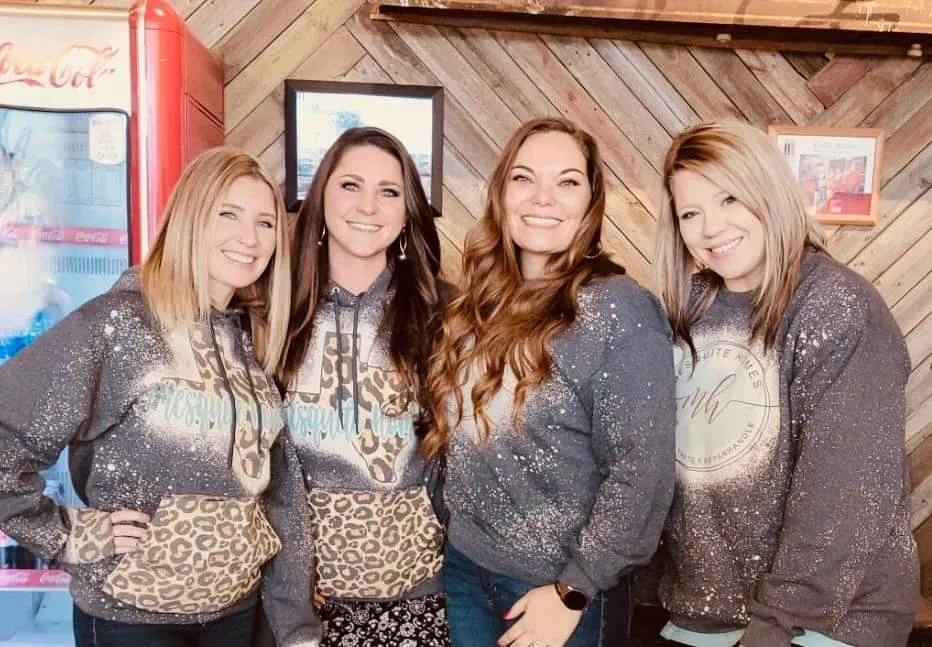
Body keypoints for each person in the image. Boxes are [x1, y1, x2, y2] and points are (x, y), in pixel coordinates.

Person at [0, 146, 320, 647]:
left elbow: (281, 496)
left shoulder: (256, 341)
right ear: (190, 218)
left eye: (265, 223)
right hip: (131, 620)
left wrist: (296, 625)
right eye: (228, 214)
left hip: (238, 614)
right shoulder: (116, 324)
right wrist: (64, 535)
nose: (250, 238)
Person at [653, 121, 919, 646]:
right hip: (705, 610)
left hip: (823, 622)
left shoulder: (837, 306)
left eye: (729, 198)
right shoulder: (689, 305)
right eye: (690, 213)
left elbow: (844, 490)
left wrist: (776, 624)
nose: (711, 227)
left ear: (768, 191)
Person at [424, 116, 676, 647]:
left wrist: (573, 591)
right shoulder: (478, 303)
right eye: (524, 178)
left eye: (567, 181)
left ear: (591, 201)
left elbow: (642, 474)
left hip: (560, 589)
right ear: (502, 192)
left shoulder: (618, 310)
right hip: (466, 570)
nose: (543, 197)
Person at [278, 126, 450, 646]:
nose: (368, 206)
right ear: (321, 196)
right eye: (351, 185)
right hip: (298, 604)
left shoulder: (444, 313)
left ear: (407, 212)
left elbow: (466, 458)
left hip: (421, 598)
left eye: (389, 191)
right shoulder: (273, 311)